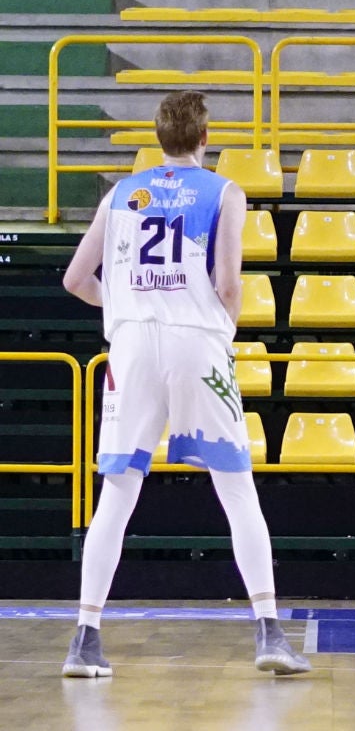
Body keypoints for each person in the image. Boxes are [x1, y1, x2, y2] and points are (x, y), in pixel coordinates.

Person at [60, 91, 309, 677]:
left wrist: (120, 310)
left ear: (157, 136)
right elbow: (228, 282)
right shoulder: (223, 190)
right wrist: (219, 331)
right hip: (196, 339)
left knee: (116, 495)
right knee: (236, 487)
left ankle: (84, 638)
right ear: (205, 137)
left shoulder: (122, 193)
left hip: (132, 345)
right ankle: (270, 632)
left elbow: (76, 278)